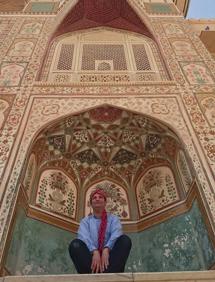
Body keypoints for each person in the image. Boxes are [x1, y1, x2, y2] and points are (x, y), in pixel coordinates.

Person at [69, 188, 132, 274]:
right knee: (75, 244)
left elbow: (117, 233)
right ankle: (92, 275)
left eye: (100, 197)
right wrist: (94, 251)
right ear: (91, 204)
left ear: (105, 202)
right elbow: (83, 237)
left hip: (110, 262)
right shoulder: (85, 221)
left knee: (125, 240)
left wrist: (107, 249)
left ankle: (109, 274)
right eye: (94, 198)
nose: (97, 199)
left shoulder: (113, 219)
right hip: (91, 262)